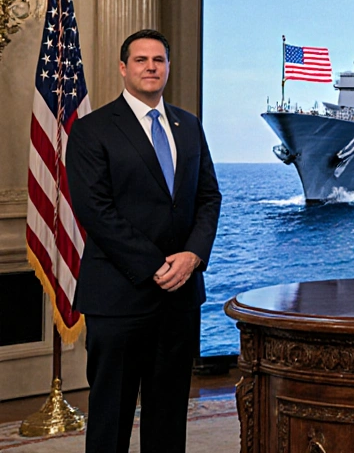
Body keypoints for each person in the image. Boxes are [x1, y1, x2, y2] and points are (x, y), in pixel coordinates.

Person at [68, 29, 222, 453]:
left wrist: (192, 255)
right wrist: (156, 266)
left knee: (169, 415)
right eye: (141, 60)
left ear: (168, 68)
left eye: (158, 60)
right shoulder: (92, 130)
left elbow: (209, 197)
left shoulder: (188, 126)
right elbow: (96, 212)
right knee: (110, 418)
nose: (151, 67)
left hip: (180, 299)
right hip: (119, 298)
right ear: (123, 68)